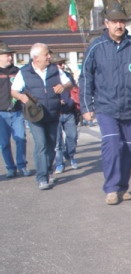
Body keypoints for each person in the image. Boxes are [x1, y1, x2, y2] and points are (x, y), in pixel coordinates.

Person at [79, 2, 131, 205]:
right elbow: (86, 77)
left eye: (121, 21)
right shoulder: (96, 47)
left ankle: (122, 187)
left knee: (129, 149)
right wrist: (86, 106)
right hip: (106, 107)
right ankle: (112, 189)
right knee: (113, 145)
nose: (118, 25)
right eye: (114, 22)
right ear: (106, 23)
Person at [11, 43, 72, 190]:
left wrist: (63, 86)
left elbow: (69, 83)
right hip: (35, 115)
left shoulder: (55, 69)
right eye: (46, 54)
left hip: (53, 113)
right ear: (36, 58)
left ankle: (48, 171)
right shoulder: (24, 72)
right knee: (41, 144)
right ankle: (42, 177)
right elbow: (14, 90)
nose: (49, 56)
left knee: (51, 145)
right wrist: (21, 97)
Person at [0, 41, 30, 179]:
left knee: (21, 139)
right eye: (7, 55)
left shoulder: (17, 71)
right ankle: (10, 168)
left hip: (17, 111)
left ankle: (22, 165)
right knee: (4, 143)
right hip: (1, 113)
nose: (10, 58)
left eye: (11, 55)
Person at [51, 55, 79, 174]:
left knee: (72, 136)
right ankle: (59, 164)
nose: (62, 66)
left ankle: (70, 155)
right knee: (58, 142)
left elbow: (75, 91)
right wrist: (56, 101)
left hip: (69, 111)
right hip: (55, 114)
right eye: (59, 64)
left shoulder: (68, 76)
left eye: (63, 63)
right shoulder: (49, 78)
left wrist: (72, 101)